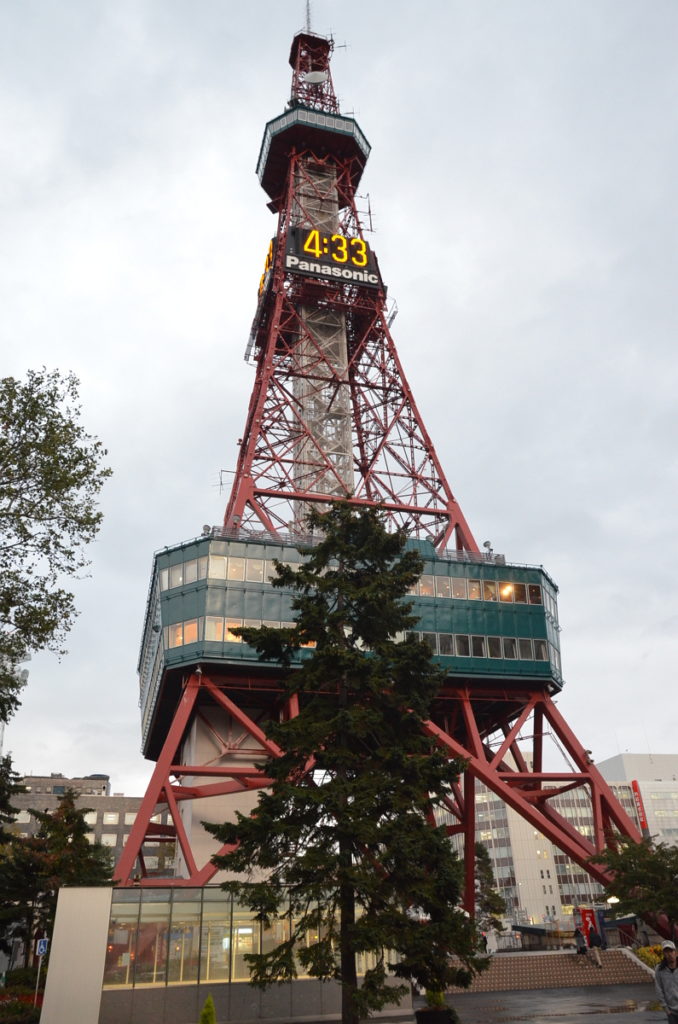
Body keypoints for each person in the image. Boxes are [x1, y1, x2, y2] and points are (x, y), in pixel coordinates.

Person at [655, 940, 678, 1024]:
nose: (669, 954)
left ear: (676, 952)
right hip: (671, 1012)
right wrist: (666, 1009)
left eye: (671, 951)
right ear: (664, 954)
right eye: (666, 952)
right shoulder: (660, 969)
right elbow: (659, 989)